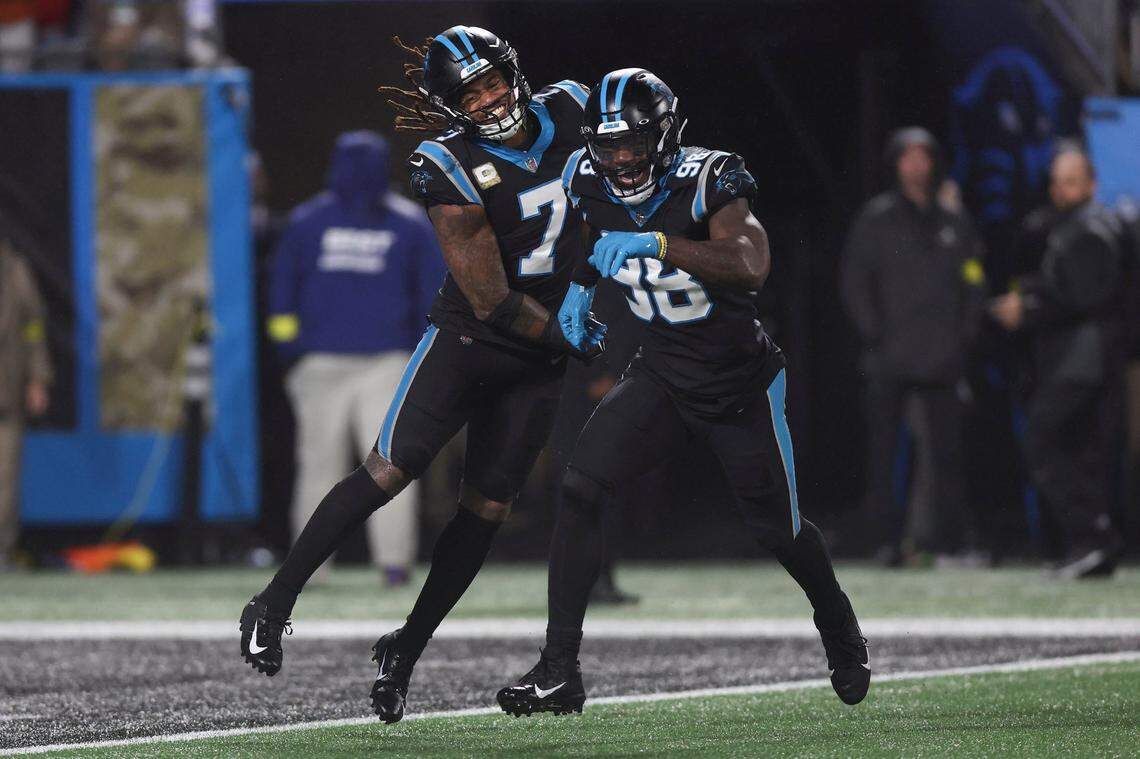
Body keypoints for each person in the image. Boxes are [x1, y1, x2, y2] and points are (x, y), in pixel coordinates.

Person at [239, 25, 604, 724]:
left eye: (495, 80)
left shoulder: (573, 109)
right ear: (451, 105)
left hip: (545, 355)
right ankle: (273, 602)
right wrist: (575, 331)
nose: (492, 98)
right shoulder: (447, 161)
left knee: (487, 511)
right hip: (472, 337)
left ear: (514, 72)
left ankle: (405, 648)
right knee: (389, 468)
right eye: (473, 92)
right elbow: (492, 297)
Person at [496, 69, 869, 717]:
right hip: (663, 368)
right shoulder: (587, 178)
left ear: (665, 137)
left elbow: (750, 263)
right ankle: (559, 669)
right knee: (580, 485)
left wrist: (664, 242)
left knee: (776, 529)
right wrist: (582, 285)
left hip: (738, 380)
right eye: (607, 146)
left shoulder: (709, 179)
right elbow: (592, 228)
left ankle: (837, 622)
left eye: (632, 145)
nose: (619, 160)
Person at [266, 130, 445, 587]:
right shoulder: (393, 223)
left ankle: (362, 565)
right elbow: (281, 297)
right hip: (344, 364)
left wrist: (292, 353)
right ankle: (362, 565)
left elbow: (434, 299)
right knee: (374, 466)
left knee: (361, 465)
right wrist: (295, 354)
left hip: (369, 364)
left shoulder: (318, 221)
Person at [840, 127, 987, 565]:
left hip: (942, 357)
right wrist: (876, 334)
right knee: (884, 456)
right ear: (896, 163)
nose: (916, 165)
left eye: (924, 156)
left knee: (945, 457)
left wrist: (965, 334)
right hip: (891, 356)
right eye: (908, 157)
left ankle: (943, 543)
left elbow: (976, 279)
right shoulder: (876, 218)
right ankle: (885, 543)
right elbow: (853, 282)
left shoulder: (954, 220)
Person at [989, 145, 1127, 578]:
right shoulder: (1075, 226)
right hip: (1082, 357)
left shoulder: (1090, 228)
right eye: (1057, 181)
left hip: (1082, 360)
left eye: (1071, 181)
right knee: (1078, 449)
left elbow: (1084, 295)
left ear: (1091, 184)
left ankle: (1092, 537)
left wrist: (1026, 308)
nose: (1061, 190)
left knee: (1043, 439)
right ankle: (1092, 544)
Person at [0, 236, 52, 569]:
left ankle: (2, 549)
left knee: (5, 477)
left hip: (7, 390)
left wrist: (37, 377)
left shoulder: (14, 270)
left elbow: (33, 327)